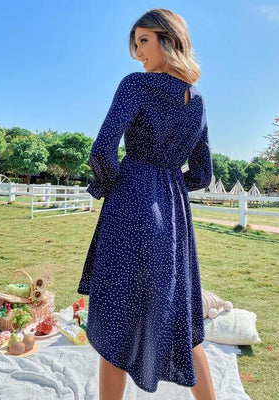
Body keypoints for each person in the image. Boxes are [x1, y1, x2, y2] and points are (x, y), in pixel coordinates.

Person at [77, 7, 216, 400]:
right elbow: (203, 174)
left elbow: (102, 151)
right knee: (181, 320)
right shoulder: (197, 102)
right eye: (135, 44)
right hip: (174, 218)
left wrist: (112, 187)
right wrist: (168, 185)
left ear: (168, 40)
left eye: (144, 40)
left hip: (130, 204)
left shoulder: (135, 85)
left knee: (115, 321)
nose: (138, 52)